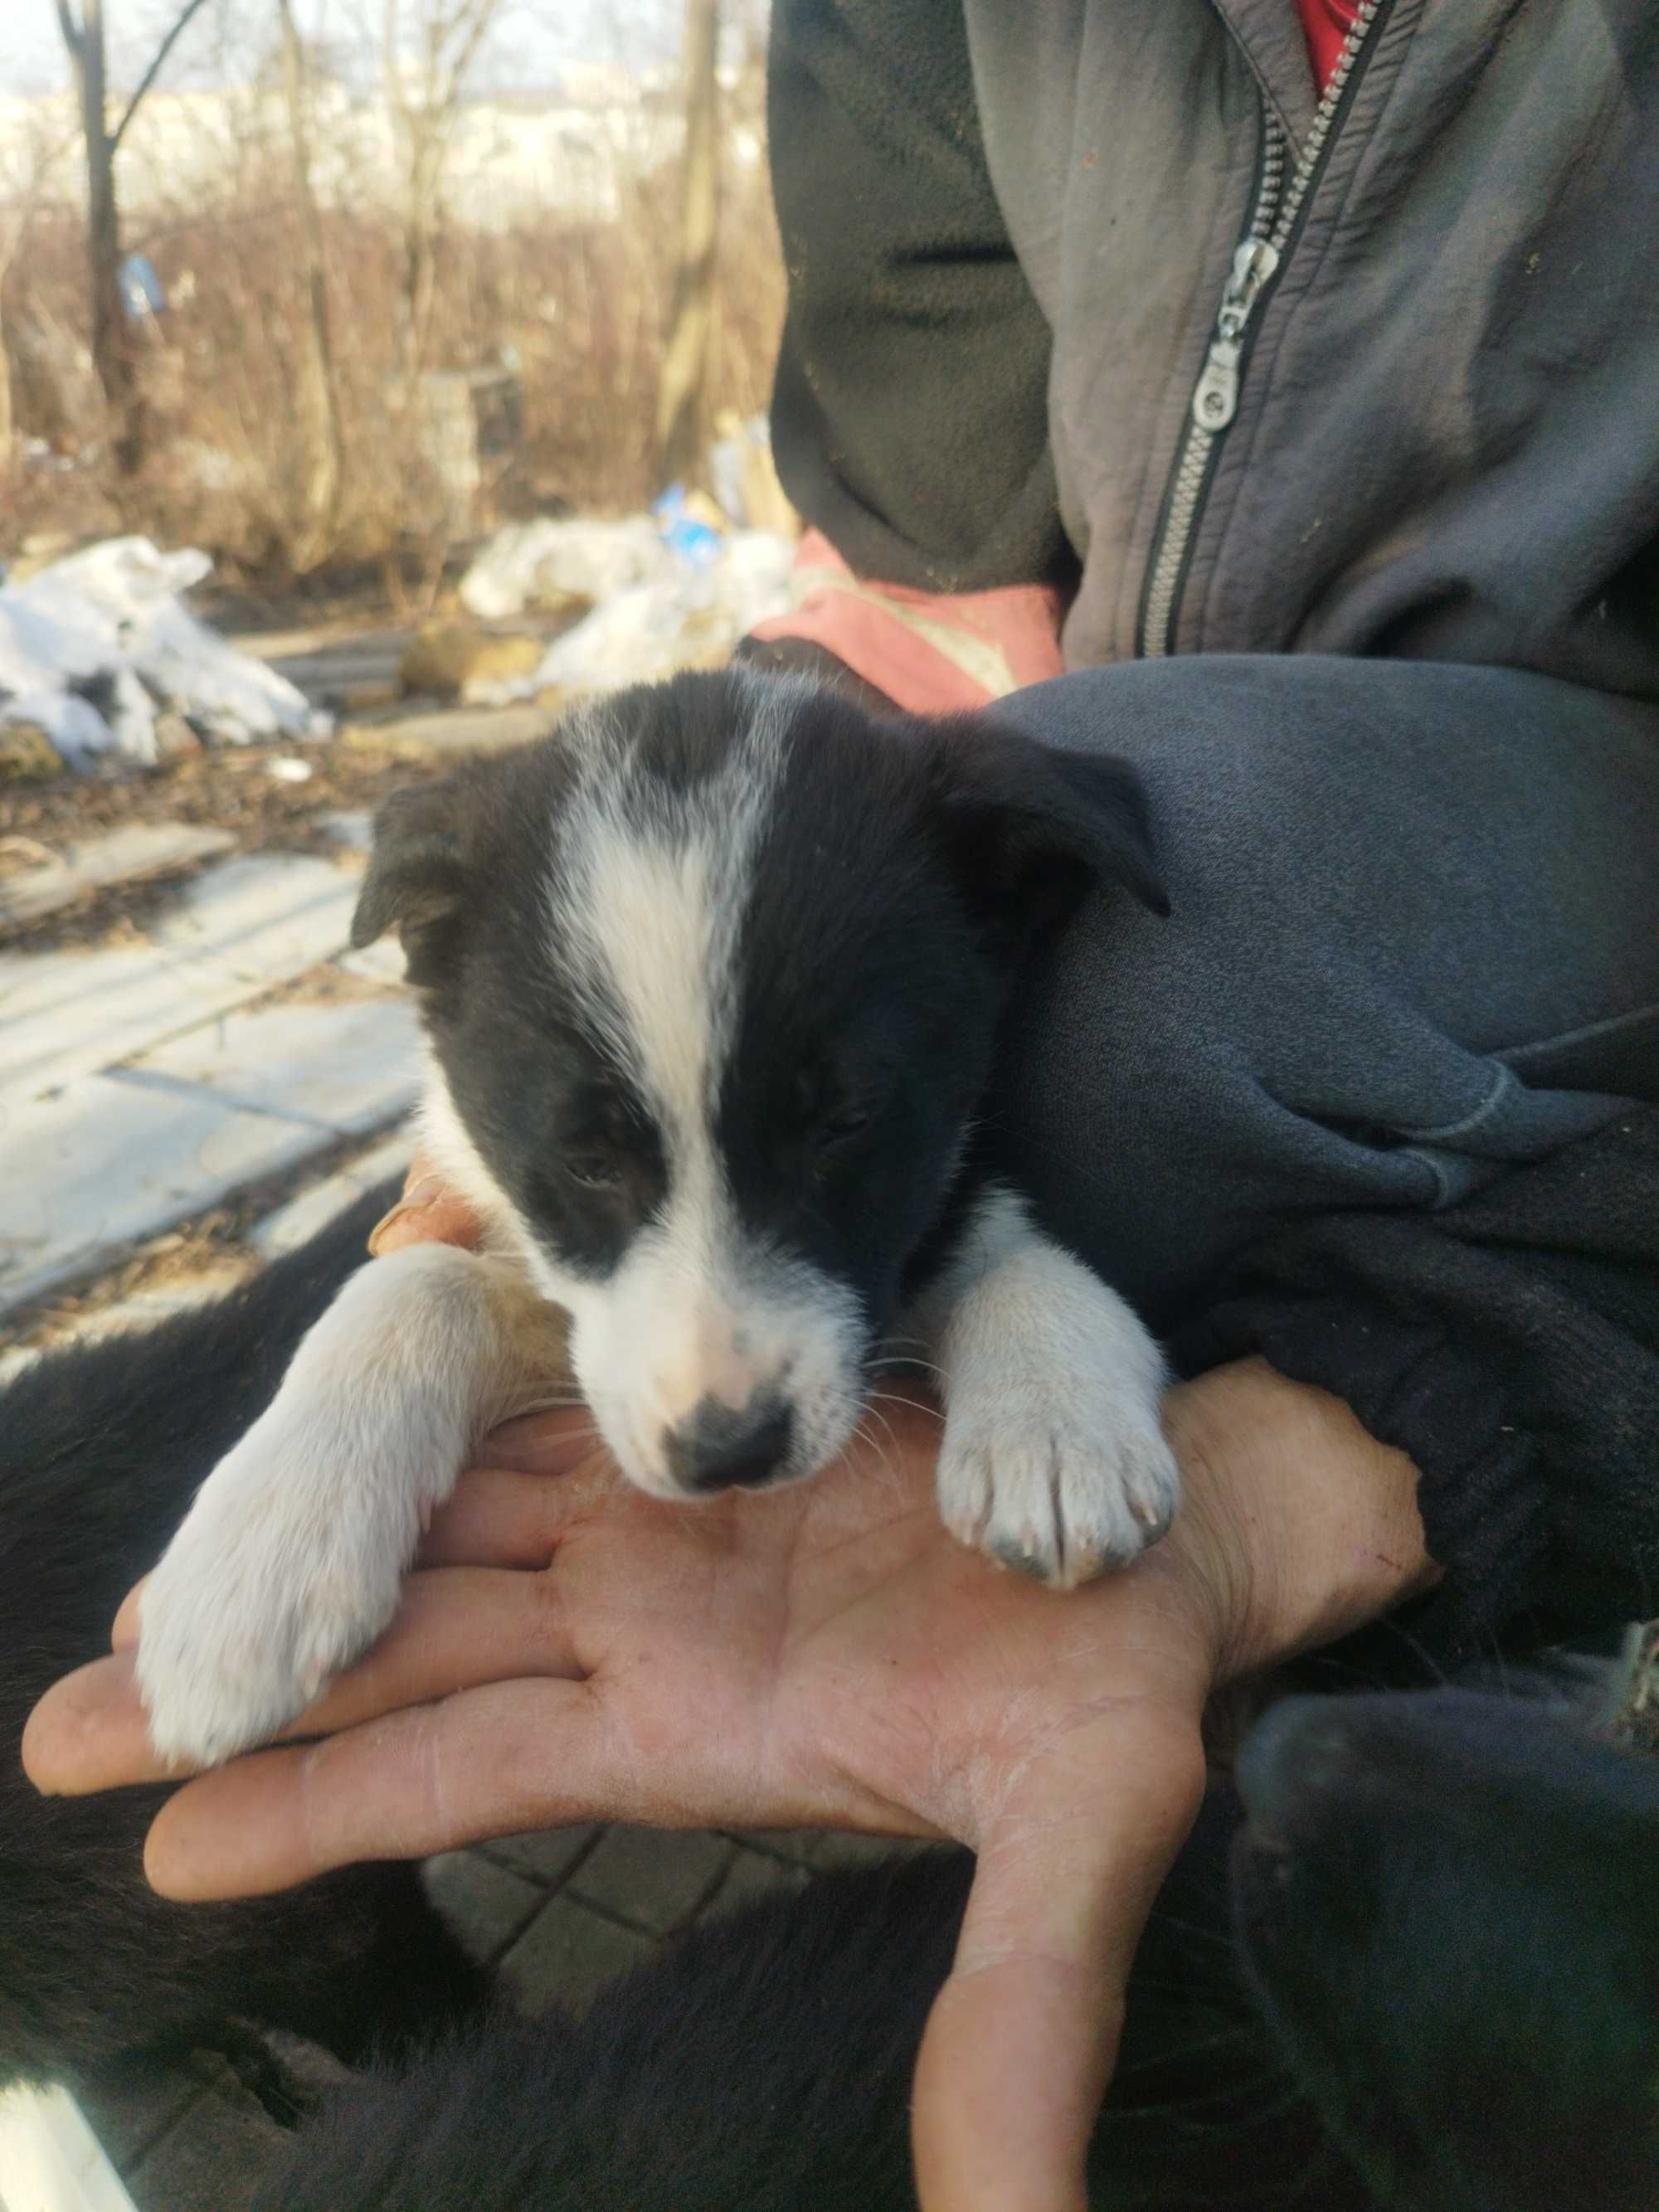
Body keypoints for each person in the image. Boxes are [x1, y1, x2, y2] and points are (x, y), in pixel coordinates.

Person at [25, 6, 1659, 2209]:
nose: (709, 1378)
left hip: (1492, 1012)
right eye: (596, 1167)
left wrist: (1354, 1411)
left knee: (1177, 950)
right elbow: (924, 601)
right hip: (995, 884)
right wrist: (410, 1307)